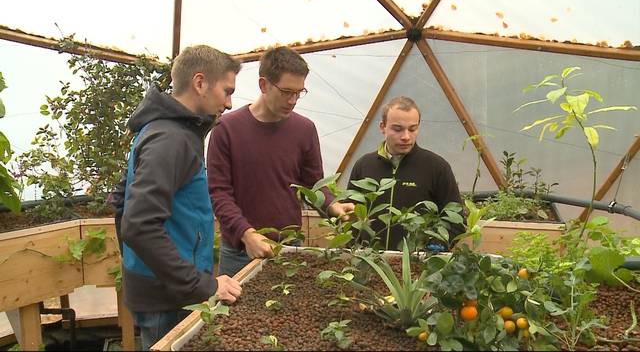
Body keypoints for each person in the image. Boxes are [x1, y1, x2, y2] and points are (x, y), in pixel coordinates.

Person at [111, 45, 242, 350]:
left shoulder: (164, 130)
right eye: (226, 90)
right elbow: (139, 226)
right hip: (168, 297)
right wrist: (203, 284)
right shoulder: (171, 140)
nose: (230, 102)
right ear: (200, 83)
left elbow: (121, 200)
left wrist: (140, 265)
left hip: (165, 286)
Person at [207, 46, 353, 277]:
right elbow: (219, 193)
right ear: (263, 85)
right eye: (286, 92)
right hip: (239, 251)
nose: (293, 100)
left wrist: (332, 205)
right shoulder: (227, 129)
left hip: (289, 248)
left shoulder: (304, 129)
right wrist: (247, 234)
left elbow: (313, 184)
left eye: (299, 92)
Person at [348, 96, 463, 251]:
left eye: (412, 129)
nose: (406, 136)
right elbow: (350, 214)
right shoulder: (364, 165)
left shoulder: (436, 167)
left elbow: (456, 219)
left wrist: (437, 245)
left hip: (418, 267)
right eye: (398, 129)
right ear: (382, 127)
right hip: (370, 262)